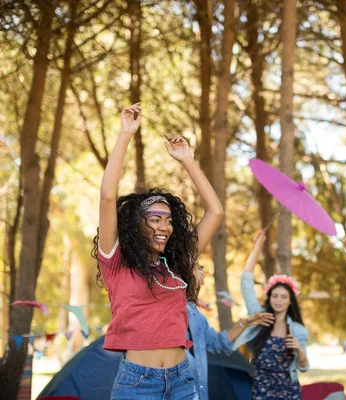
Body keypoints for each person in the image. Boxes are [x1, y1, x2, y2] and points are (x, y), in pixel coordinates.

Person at [92, 102, 223, 399]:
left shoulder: (175, 266)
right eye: (154, 220)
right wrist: (126, 134)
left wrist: (188, 161)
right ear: (136, 225)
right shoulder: (116, 263)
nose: (164, 226)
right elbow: (106, 196)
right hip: (138, 384)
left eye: (168, 221)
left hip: (182, 380)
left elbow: (215, 212)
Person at [233, 231, 309, 400]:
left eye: (283, 297)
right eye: (275, 296)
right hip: (259, 388)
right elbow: (246, 282)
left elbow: (304, 367)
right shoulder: (260, 317)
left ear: (290, 301)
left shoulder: (298, 330)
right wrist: (258, 246)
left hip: (289, 390)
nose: (279, 300)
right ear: (269, 297)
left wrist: (299, 350)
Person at [185, 262, 275, 399]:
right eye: (197, 268)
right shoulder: (167, 309)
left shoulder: (196, 315)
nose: (201, 273)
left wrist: (244, 323)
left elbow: (217, 342)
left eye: (201, 268)